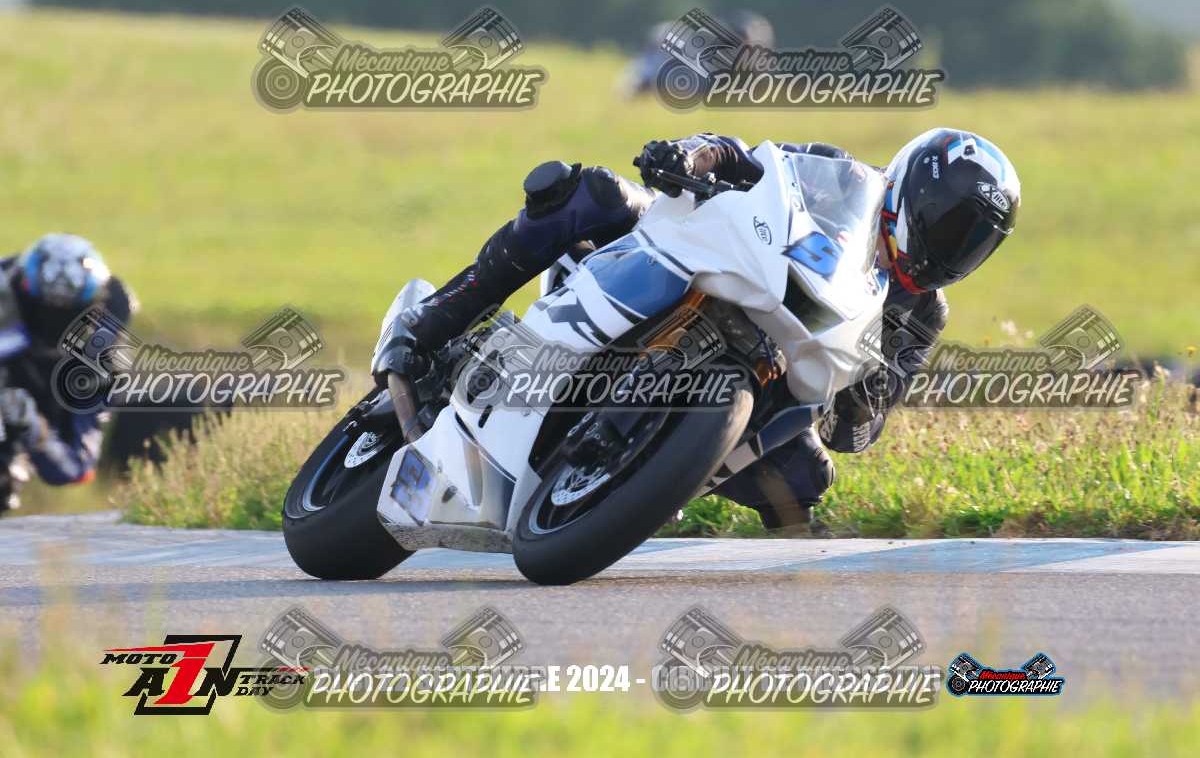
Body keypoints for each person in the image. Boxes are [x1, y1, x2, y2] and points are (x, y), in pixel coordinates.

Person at [376, 128, 1020, 529]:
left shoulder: (922, 313)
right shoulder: (842, 178)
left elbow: (858, 431)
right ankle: (426, 327)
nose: (953, 250)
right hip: (706, 270)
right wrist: (689, 156)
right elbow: (751, 162)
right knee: (589, 193)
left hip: (768, 380)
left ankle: (643, 483)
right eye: (950, 224)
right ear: (916, 193)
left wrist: (858, 396)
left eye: (973, 242)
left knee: (806, 481)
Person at [0, 234, 136, 513]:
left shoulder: (100, 368)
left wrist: (33, 427)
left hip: (33, 418)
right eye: (41, 310)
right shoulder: (6, 293)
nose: (53, 324)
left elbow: (76, 469)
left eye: (69, 315)